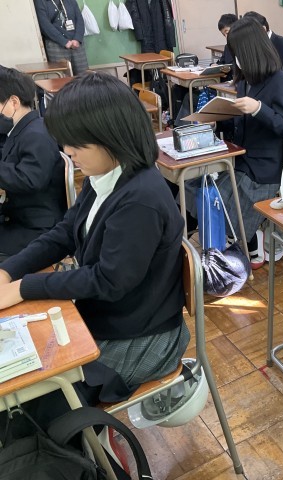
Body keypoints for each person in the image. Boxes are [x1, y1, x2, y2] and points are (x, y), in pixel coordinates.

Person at [0, 72, 189, 407]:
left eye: (77, 145)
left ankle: (86, 434)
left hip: (142, 336)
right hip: (110, 316)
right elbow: (65, 231)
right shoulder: (104, 174)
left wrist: (24, 287)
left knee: (38, 397)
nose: (68, 152)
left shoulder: (140, 200)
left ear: (112, 137)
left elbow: (107, 280)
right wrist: (10, 270)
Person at [185, 17, 283, 269]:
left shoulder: (280, 80)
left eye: (238, 53)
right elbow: (241, 122)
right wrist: (216, 120)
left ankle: (251, 241)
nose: (235, 58)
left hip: (265, 167)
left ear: (250, 51)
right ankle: (238, 242)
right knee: (198, 188)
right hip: (242, 156)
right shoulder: (245, 81)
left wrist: (259, 108)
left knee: (225, 203)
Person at [0, 67, 65, 261]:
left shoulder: (37, 135)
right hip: (21, 216)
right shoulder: (21, 130)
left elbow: (30, 179)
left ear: (14, 102)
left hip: (38, 228)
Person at [33, 0, 88, 74]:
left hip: (76, 43)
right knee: (63, 75)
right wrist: (63, 41)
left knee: (84, 74)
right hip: (56, 44)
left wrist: (77, 38)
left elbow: (79, 19)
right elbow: (45, 25)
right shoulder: (40, 2)